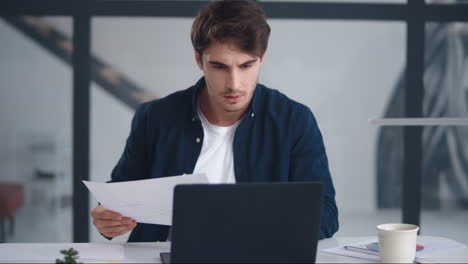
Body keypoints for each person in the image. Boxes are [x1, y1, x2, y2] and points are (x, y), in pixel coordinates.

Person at [91, 0, 339, 242]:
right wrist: (108, 219)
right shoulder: (154, 118)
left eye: (246, 66)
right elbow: (116, 200)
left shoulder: (294, 121)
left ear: (261, 59)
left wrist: (257, 223)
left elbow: (326, 216)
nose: (234, 83)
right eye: (219, 67)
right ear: (199, 60)